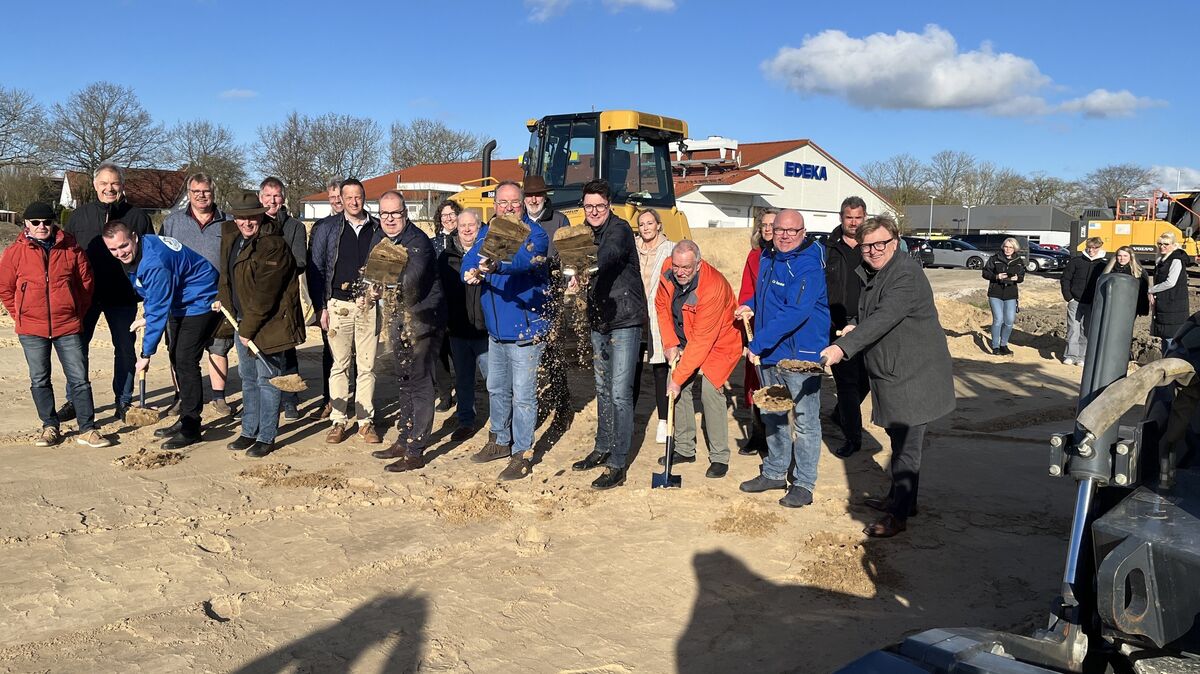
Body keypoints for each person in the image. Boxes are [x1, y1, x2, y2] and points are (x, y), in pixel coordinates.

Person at [821, 215, 955, 538]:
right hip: (893, 371)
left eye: (881, 243)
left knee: (907, 449)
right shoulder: (876, 272)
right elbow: (871, 312)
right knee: (899, 442)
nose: (874, 250)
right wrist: (854, 324)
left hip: (914, 375)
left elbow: (885, 316)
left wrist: (841, 347)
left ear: (895, 242)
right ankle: (902, 500)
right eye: (867, 246)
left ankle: (898, 516)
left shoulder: (905, 274)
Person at [735, 209, 830, 508]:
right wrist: (749, 305)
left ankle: (803, 483)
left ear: (803, 232)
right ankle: (775, 471)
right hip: (772, 351)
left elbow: (795, 312)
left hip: (801, 356)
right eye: (780, 230)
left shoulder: (809, 265)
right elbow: (764, 295)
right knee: (772, 413)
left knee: (805, 421)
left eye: (792, 231)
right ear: (771, 231)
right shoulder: (768, 257)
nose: (785, 236)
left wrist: (758, 343)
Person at [0, 202, 111, 448]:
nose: (42, 226)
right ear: (26, 224)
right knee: (39, 379)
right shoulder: (15, 252)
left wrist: (75, 311)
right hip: (31, 328)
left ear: (54, 223)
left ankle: (87, 429)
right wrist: (20, 314)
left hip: (67, 325)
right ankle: (50, 426)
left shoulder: (72, 248)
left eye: (47, 222)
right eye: (36, 222)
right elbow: (5, 288)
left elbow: (85, 284)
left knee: (79, 379)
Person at [102, 221, 219, 450]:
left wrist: (146, 354)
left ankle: (191, 426)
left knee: (186, 360)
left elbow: (158, 308)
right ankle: (185, 415)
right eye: (113, 249)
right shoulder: (142, 250)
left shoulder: (155, 262)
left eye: (123, 246)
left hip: (200, 298)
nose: (120, 253)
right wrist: (148, 315)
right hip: (179, 300)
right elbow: (153, 295)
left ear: (134, 237)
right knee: (176, 356)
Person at [462, 181, 551, 481]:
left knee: (523, 396)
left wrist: (498, 266)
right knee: (497, 388)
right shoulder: (487, 232)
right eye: (503, 202)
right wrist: (468, 271)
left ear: (523, 204)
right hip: (496, 331)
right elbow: (471, 257)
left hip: (525, 330)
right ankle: (500, 441)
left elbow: (525, 261)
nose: (509, 207)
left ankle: (522, 453)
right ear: (495, 205)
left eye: (514, 202)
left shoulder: (535, 234)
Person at [569, 179, 647, 490]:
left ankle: (618, 462)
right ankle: (602, 447)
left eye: (599, 206)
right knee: (602, 388)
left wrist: (583, 267)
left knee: (619, 392)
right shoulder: (583, 233)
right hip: (599, 319)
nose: (594, 211)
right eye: (588, 206)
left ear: (609, 205)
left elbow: (610, 254)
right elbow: (568, 257)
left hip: (625, 319)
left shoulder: (620, 229)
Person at [215, 191, 304, 458]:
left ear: (261, 215)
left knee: (267, 380)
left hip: (268, 323)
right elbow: (226, 277)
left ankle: (266, 436)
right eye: (241, 218)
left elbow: (266, 293)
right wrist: (224, 303)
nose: (246, 223)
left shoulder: (273, 245)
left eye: (252, 217)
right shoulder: (233, 238)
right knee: (248, 378)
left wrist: (248, 329)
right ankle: (248, 431)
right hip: (242, 320)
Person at [60, 163, 152, 422]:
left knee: (124, 349)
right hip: (85, 296)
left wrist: (148, 293)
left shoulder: (138, 217)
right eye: (104, 183)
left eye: (114, 183)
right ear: (95, 185)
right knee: (77, 349)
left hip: (123, 296)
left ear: (122, 185)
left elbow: (149, 256)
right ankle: (75, 400)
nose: (109, 188)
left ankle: (123, 401)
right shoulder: (79, 216)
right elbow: (65, 256)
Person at [368, 191, 447, 473]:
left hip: (424, 319)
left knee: (421, 383)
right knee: (404, 381)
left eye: (395, 213)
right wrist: (371, 285)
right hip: (398, 319)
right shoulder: (381, 238)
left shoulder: (418, 242)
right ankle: (403, 439)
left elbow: (411, 279)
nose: (390, 219)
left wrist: (381, 285)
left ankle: (415, 450)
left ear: (405, 214)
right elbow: (371, 271)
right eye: (384, 213)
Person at [654, 240, 741, 478]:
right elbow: (661, 306)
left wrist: (677, 378)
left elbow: (703, 340)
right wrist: (670, 343)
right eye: (677, 266)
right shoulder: (668, 269)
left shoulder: (712, 287)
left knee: (710, 392)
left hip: (721, 341)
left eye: (686, 268)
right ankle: (684, 448)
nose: (680, 272)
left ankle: (720, 457)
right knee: (678, 388)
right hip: (687, 335)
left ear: (699, 265)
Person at [313, 178, 384, 445]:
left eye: (358, 197)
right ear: (340, 200)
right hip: (338, 305)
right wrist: (321, 306)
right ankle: (339, 420)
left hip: (368, 304)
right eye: (349, 197)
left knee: (367, 366)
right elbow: (317, 269)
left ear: (364, 198)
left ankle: (365, 422)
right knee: (339, 365)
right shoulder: (327, 228)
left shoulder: (376, 228)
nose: (354, 202)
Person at [161, 172, 233, 415]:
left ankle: (219, 397)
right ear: (188, 193)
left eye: (206, 191)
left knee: (218, 347)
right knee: (177, 351)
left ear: (213, 192)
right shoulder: (173, 222)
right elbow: (162, 257)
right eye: (196, 191)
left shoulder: (228, 222)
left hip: (217, 298)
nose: (201, 196)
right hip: (181, 299)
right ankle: (182, 396)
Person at [823, 198, 870, 458]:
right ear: (841, 217)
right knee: (847, 383)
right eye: (849, 217)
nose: (853, 222)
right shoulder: (827, 248)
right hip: (837, 323)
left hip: (867, 322)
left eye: (858, 217)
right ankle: (853, 437)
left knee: (868, 378)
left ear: (865, 217)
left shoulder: (872, 247)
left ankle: (840, 413)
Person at [524, 174, 572, 428]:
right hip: (523, 295)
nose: (534, 200)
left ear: (545, 196)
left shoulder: (559, 220)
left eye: (538, 195)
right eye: (530, 195)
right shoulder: (517, 220)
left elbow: (569, 256)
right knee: (527, 354)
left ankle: (562, 405)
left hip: (551, 293)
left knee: (553, 351)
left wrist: (568, 279)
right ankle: (530, 406)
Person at [438, 208, 489, 442]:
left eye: (472, 225)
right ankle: (466, 421)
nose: (467, 230)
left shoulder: (488, 255)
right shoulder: (446, 257)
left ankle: (502, 424)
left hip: (485, 329)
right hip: (458, 328)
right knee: (463, 380)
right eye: (462, 226)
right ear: (456, 229)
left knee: (493, 381)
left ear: (479, 227)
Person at [259, 177, 308, 419]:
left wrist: (270, 271)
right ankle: (264, 399)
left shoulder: (295, 227)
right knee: (261, 352)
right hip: (257, 299)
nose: (272, 200)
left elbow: (299, 262)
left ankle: (290, 399)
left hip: (285, 298)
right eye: (268, 196)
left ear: (283, 198)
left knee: (287, 350)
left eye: (277, 195)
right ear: (260, 198)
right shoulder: (252, 224)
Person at [633, 208, 674, 444]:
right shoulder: (633, 248)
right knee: (633, 366)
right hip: (636, 314)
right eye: (642, 224)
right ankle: (628, 417)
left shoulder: (670, 249)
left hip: (659, 315)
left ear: (658, 225)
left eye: (650, 223)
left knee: (660, 368)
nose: (646, 227)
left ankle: (663, 420)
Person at [737, 209, 776, 456]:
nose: (768, 229)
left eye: (773, 224)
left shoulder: (788, 256)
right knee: (755, 381)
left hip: (781, 328)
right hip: (758, 328)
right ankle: (758, 434)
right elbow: (747, 291)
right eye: (764, 225)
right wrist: (746, 316)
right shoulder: (754, 257)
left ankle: (778, 439)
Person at [307, 177, 345, 420]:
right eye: (332, 197)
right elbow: (315, 268)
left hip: (355, 299)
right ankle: (328, 399)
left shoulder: (367, 224)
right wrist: (320, 304)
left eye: (340, 196)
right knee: (330, 353)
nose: (337, 201)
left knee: (356, 356)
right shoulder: (320, 227)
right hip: (328, 300)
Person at [431, 198, 461, 413]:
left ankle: (463, 391)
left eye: (452, 214)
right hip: (438, 302)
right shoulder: (432, 243)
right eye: (444, 215)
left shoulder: (465, 239)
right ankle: (444, 394)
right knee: (439, 352)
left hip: (460, 302)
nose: (449, 218)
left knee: (458, 352)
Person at [1059, 237, 1106, 366]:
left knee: (1086, 330)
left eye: (1094, 248)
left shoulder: (1103, 265)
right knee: (1073, 329)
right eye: (1089, 247)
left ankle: (1082, 357)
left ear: (1099, 248)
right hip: (1075, 301)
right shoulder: (1076, 262)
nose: (1091, 250)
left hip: (1092, 303)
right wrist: (1069, 297)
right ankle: (1070, 355)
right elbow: (1065, 279)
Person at [981, 237, 1026, 356]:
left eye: (1011, 247)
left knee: (1009, 321)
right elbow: (985, 273)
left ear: (1015, 249)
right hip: (995, 292)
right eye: (1006, 246)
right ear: (1003, 247)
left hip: (1011, 293)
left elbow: (1022, 276)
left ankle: (1003, 345)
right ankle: (995, 346)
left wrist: (1017, 278)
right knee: (998, 320)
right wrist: (996, 276)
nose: (1008, 249)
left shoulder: (1019, 261)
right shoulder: (994, 259)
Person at [1149, 232, 1189, 353]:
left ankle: (1172, 361)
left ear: (1173, 245)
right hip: (1165, 303)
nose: (1162, 246)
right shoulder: (1162, 259)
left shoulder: (1176, 260)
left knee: (1172, 338)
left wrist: (1151, 290)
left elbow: (1170, 282)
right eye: (1160, 244)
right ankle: (1166, 359)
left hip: (1173, 304)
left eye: (1166, 244)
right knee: (1165, 337)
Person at [1102, 246, 1150, 316]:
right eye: (1119, 256)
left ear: (1130, 257)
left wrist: (1142, 309)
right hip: (1112, 305)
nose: (1122, 258)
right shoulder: (1109, 270)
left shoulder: (1138, 272)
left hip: (1130, 306)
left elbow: (1143, 293)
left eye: (1125, 256)